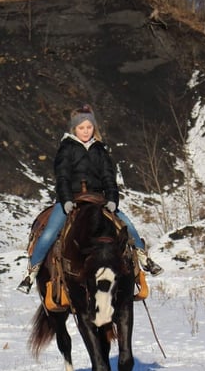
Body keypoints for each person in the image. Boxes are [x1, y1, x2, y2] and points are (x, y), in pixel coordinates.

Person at [17, 104, 163, 294]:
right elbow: (62, 177)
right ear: (74, 129)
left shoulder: (100, 149)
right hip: (71, 199)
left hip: (97, 199)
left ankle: (145, 260)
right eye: (81, 128)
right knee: (49, 233)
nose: (85, 131)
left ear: (94, 127)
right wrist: (67, 199)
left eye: (89, 127)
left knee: (127, 226)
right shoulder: (66, 149)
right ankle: (31, 273)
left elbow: (109, 178)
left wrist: (111, 199)